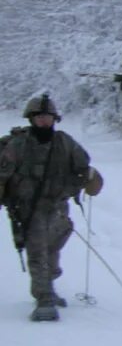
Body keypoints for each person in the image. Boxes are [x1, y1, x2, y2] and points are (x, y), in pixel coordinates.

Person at [0, 94, 101, 321]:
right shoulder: (18, 145)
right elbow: (2, 175)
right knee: (37, 251)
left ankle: (50, 286)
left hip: (57, 206)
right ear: (31, 119)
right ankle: (43, 297)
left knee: (53, 248)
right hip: (29, 208)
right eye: (39, 118)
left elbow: (83, 166)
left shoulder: (65, 142)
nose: (44, 122)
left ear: (54, 119)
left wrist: (92, 179)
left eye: (47, 117)